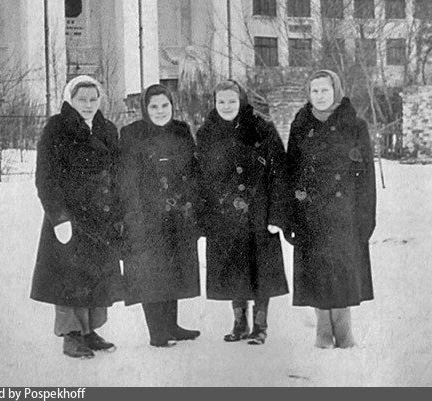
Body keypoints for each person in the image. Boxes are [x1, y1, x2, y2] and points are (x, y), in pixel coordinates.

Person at [30, 75, 125, 359]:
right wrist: (58, 216)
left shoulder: (107, 129)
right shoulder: (57, 128)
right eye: (82, 99)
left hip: (101, 216)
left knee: (95, 275)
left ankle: (89, 331)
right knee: (68, 277)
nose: (88, 104)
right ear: (70, 99)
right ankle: (71, 334)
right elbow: (45, 177)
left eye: (93, 99)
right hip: (70, 217)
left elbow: (118, 174)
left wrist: (118, 211)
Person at [285, 70, 376, 348]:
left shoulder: (354, 124)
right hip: (310, 211)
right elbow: (291, 170)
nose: (320, 96)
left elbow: (367, 174)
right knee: (317, 273)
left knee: (341, 271)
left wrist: (365, 216)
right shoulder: (301, 123)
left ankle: (344, 329)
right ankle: (323, 329)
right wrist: (291, 214)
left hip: (343, 212)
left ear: (335, 91)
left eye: (325, 90)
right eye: (315, 91)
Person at [196, 80, 289, 345]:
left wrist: (276, 215)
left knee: (261, 270)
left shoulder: (262, 128)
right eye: (221, 101)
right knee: (233, 269)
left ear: (241, 101)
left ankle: (260, 326)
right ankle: (239, 323)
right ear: (214, 103)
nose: (227, 106)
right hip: (224, 216)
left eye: (232, 101)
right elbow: (201, 178)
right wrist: (206, 218)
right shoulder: (206, 133)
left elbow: (279, 172)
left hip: (258, 214)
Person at [119, 84, 202, 347]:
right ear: (145, 108)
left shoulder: (181, 130)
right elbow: (127, 179)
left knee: (175, 268)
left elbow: (192, 169)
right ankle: (157, 332)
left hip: (177, 213)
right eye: (154, 106)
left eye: (165, 105)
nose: (160, 111)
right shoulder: (132, 133)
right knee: (151, 272)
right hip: (146, 215)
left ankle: (172, 326)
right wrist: (135, 215)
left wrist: (189, 203)